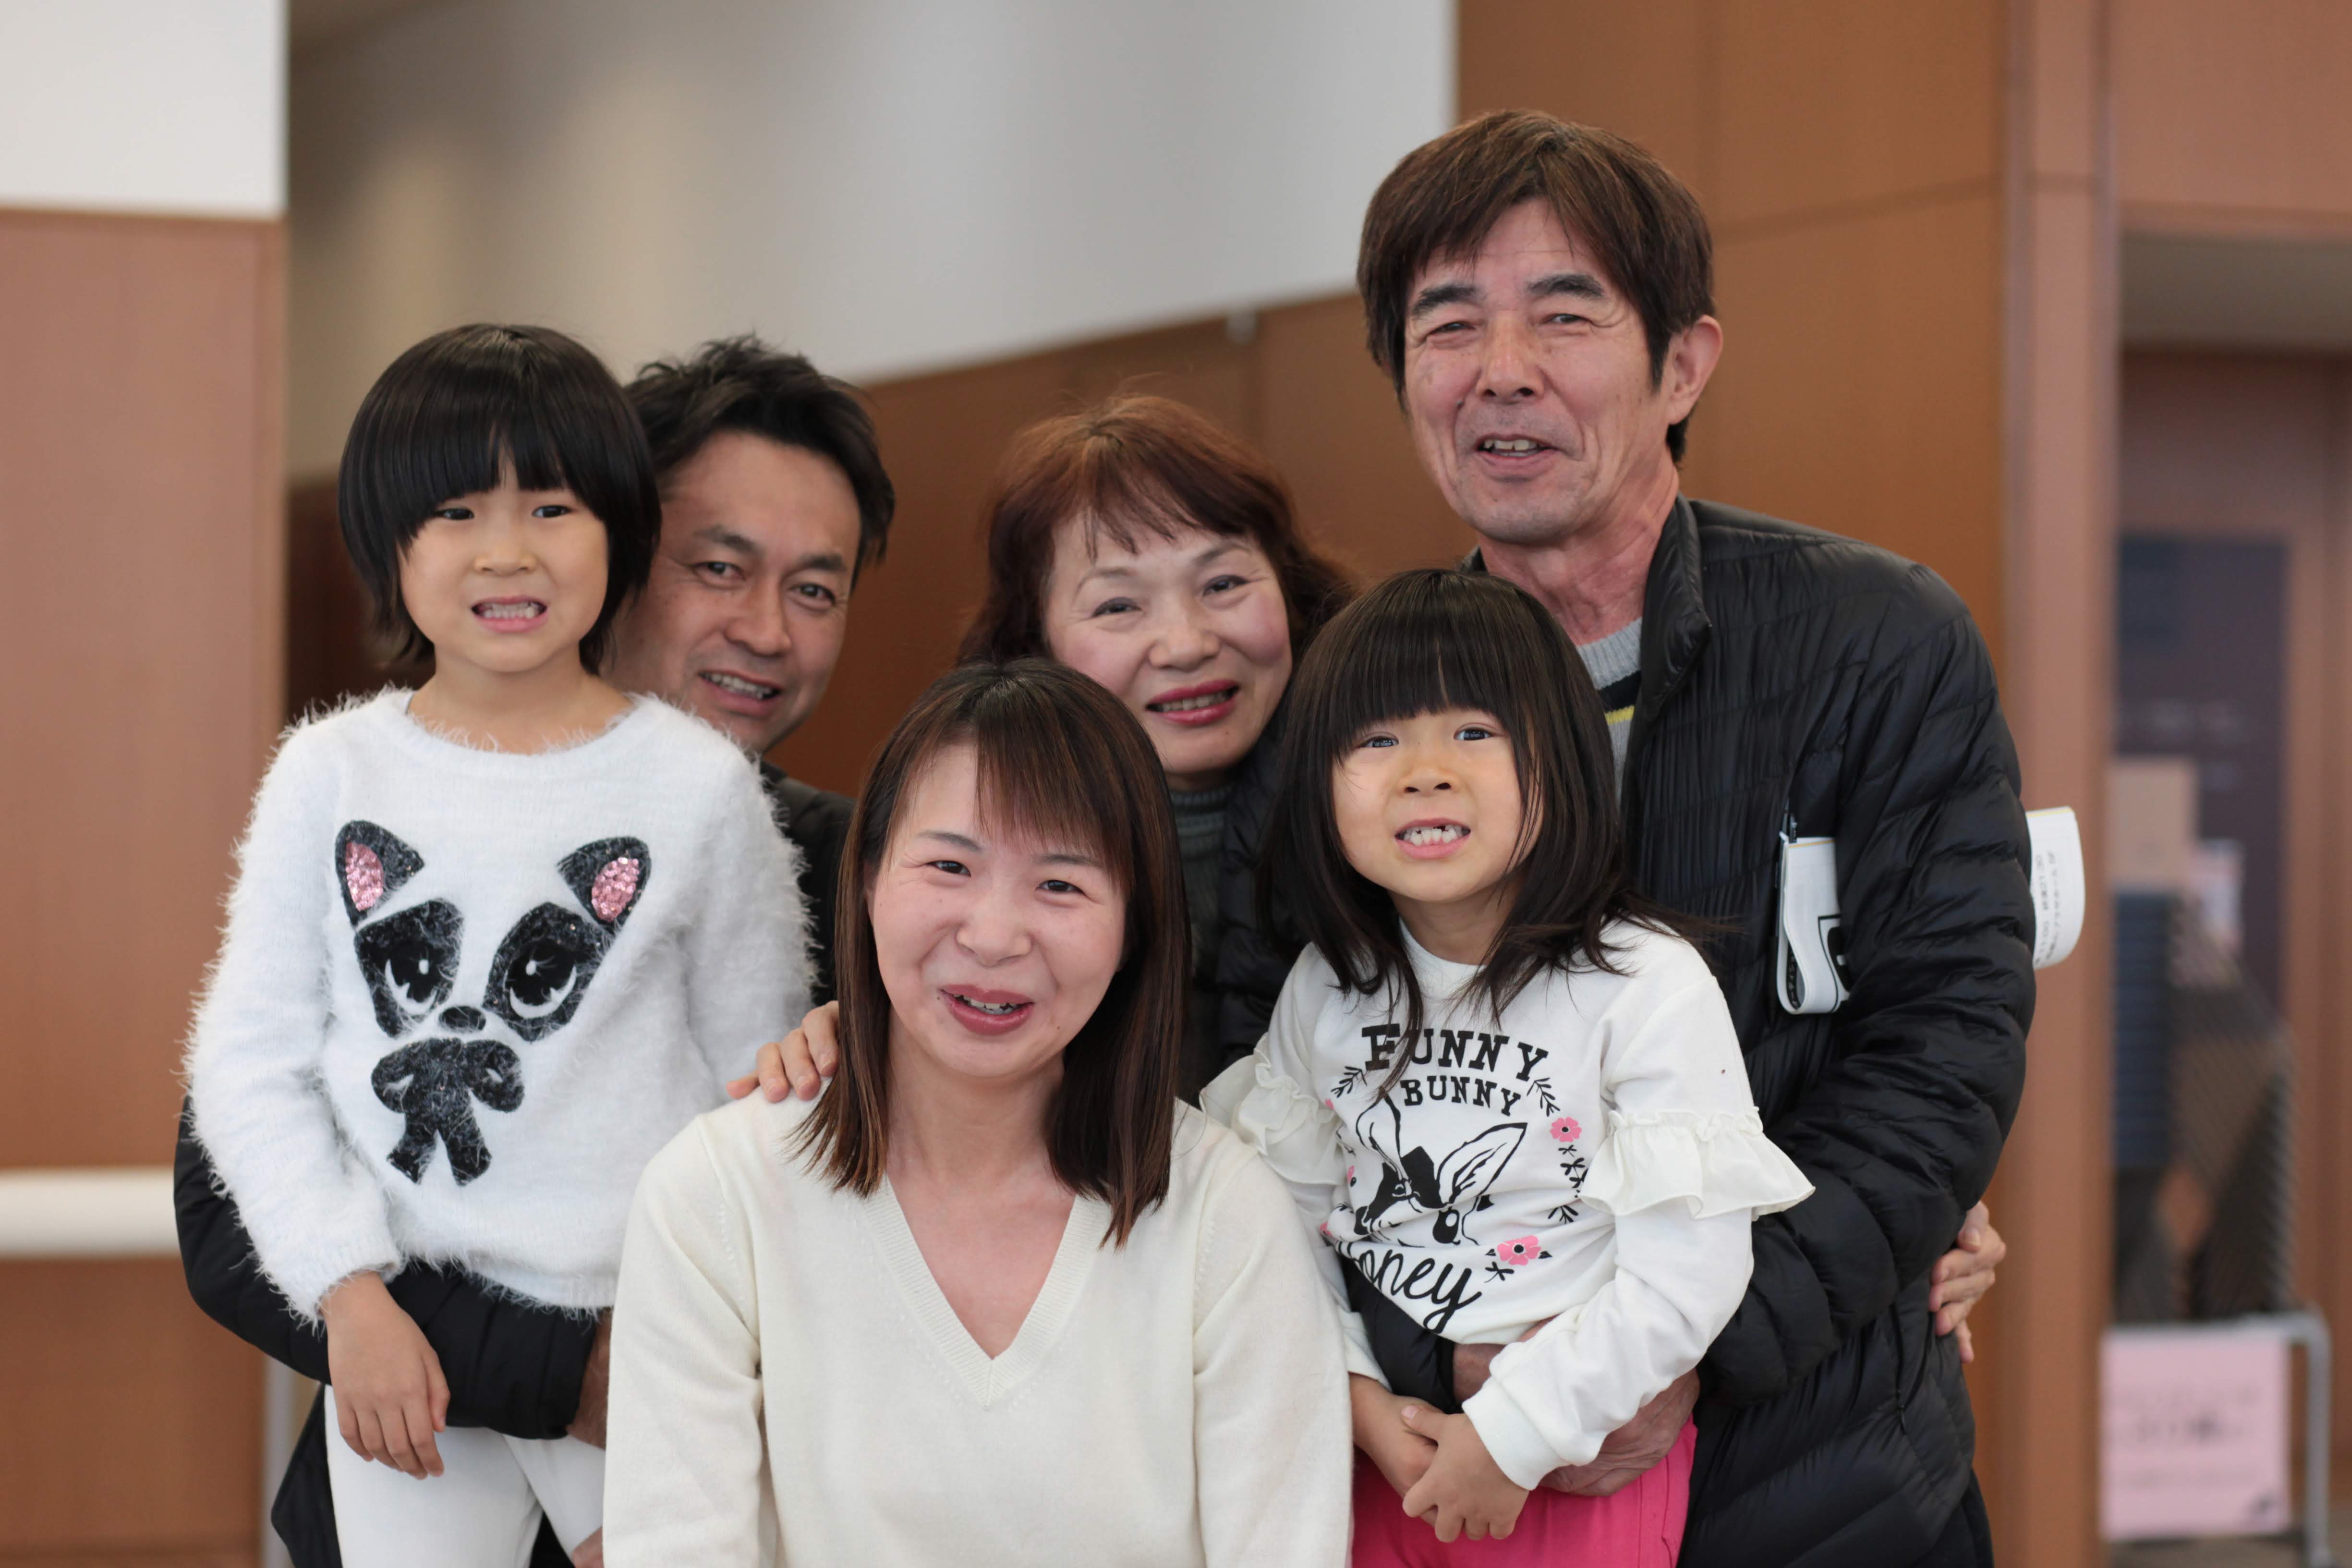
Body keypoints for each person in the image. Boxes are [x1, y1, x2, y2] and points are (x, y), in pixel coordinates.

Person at [1347, 111, 2030, 1566]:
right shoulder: (1363, 704)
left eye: (1564, 313)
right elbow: (1288, 1078)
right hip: (1480, 1487)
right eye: (1448, 323)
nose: (1501, 368)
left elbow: (1943, 1049)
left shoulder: (1876, 643)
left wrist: (1675, 1355)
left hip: (1826, 1484)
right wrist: (1440, 1353)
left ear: (1683, 365)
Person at [175, 333, 893, 1568]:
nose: (506, 551)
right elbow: (243, 1093)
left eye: (550, 510)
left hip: (658, 1327)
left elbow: (758, 1096)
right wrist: (354, 1295)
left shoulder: (738, 808)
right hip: (407, 1352)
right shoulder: (332, 773)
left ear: (606, 530)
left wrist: (711, 1350)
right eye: (720, 566)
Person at [602, 660, 1352, 1565]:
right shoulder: (717, 1195)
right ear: (868, 879)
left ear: (1135, 928)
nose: (993, 936)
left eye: (1061, 885)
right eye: (950, 866)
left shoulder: (1223, 1215)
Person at [1205, 569, 1811, 1564]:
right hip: (1377, 1452)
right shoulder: (1325, 986)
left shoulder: (1644, 985)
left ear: (1562, 759)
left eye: (1473, 731)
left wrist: (1515, 1433)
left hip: (1576, 1458)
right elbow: (1282, 1227)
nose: (1424, 772)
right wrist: (1355, 1398)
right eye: (1375, 740)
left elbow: (1687, 1274)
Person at [958, 394, 1353, 1094]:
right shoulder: (971, 865)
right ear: (1033, 646)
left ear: (1290, 591)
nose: (1186, 644)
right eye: (1118, 605)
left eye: (1222, 583)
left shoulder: (1402, 808)